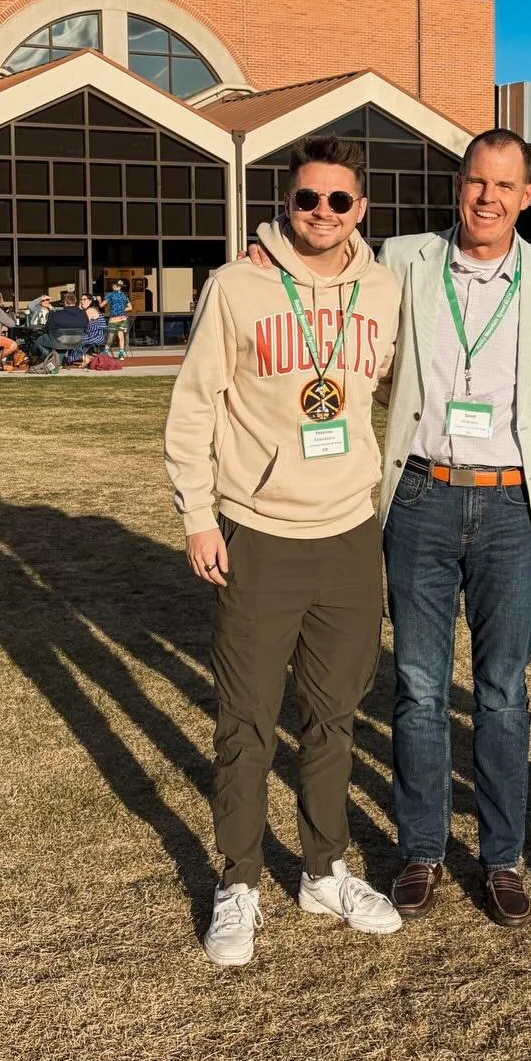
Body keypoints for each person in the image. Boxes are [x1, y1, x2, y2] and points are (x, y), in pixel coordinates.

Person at [165, 134, 404, 965]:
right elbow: (194, 405)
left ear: (360, 208)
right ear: (287, 203)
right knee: (246, 721)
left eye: (339, 200)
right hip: (259, 530)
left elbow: (399, 387)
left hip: (349, 531)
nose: (323, 213)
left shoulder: (384, 289)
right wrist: (199, 516)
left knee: (333, 717)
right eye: (308, 198)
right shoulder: (237, 285)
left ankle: (324, 869)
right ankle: (238, 880)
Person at [378, 131, 531, 926]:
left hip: (511, 505)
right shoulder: (404, 259)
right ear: (457, 184)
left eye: (504, 185)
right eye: (475, 182)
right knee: (419, 686)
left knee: (500, 692)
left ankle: (501, 858)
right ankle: (422, 850)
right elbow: (323, 266)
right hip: (420, 496)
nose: (487, 198)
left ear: (527, 195)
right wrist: (261, 246)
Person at [31, 291, 89, 369]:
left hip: (59, 341)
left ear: (65, 302)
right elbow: (86, 327)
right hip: (77, 342)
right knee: (61, 344)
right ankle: (57, 362)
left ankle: (51, 359)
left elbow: (48, 327)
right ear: (75, 301)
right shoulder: (83, 314)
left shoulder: (57, 314)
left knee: (39, 341)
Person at [104, 280, 132, 359]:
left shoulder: (110, 295)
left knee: (111, 336)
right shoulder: (124, 295)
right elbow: (130, 307)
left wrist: (99, 300)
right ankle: (121, 353)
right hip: (123, 318)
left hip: (114, 318)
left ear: (114, 286)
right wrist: (122, 309)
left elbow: (102, 305)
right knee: (121, 336)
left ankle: (105, 351)